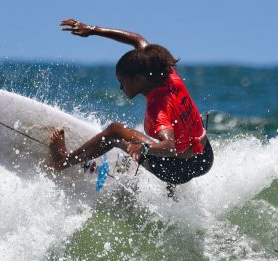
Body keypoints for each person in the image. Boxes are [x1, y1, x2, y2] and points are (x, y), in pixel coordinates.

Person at [49, 19, 213, 189]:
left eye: (122, 81)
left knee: (114, 132)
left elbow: (170, 146)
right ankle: (171, 189)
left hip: (178, 170)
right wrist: (93, 30)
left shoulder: (158, 109)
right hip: (205, 157)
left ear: (139, 79)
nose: (120, 87)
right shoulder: (166, 73)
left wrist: (143, 148)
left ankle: (62, 161)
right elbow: (137, 40)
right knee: (169, 139)